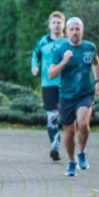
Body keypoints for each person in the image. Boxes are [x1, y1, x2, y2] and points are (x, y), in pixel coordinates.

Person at [47, 17, 99, 177]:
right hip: (66, 96)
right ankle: (71, 162)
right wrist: (64, 61)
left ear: (82, 31)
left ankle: (81, 152)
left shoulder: (90, 47)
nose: (75, 31)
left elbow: (96, 62)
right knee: (69, 132)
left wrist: (98, 81)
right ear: (66, 32)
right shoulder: (60, 50)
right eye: (72, 29)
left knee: (83, 124)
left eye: (78, 29)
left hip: (85, 93)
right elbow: (51, 74)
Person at [31, 11, 67, 161]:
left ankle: (69, 143)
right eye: (54, 22)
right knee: (51, 116)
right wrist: (34, 66)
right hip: (48, 84)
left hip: (66, 84)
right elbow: (35, 55)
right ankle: (54, 146)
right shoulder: (42, 42)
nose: (57, 25)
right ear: (49, 25)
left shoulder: (67, 42)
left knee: (65, 117)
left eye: (59, 22)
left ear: (63, 25)